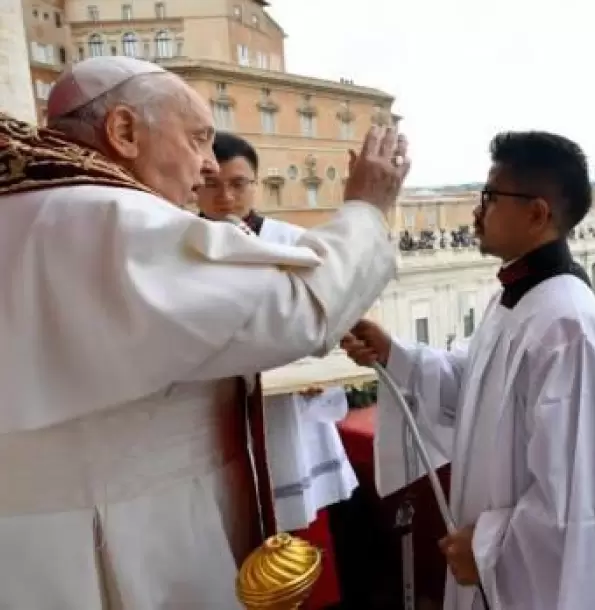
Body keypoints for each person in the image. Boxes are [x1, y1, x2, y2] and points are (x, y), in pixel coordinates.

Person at [0, 56, 409, 609]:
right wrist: (366, 208)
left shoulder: (28, 210)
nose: (209, 167)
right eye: (197, 139)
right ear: (123, 131)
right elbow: (296, 307)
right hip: (119, 533)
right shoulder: (106, 215)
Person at [343, 132, 595, 609]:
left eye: (490, 198)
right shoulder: (511, 302)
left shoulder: (572, 332)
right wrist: (395, 354)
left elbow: (588, 498)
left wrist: (488, 548)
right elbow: (471, 390)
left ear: (537, 213)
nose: (477, 211)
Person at [195, 132, 359, 609]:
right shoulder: (182, 250)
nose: (225, 198)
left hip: (289, 422)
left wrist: (316, 381)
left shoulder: (294, 245)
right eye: (211, 184)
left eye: (238, 184)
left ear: (256, 184)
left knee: (303, 550)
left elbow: (330, 330)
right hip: (217, 422)